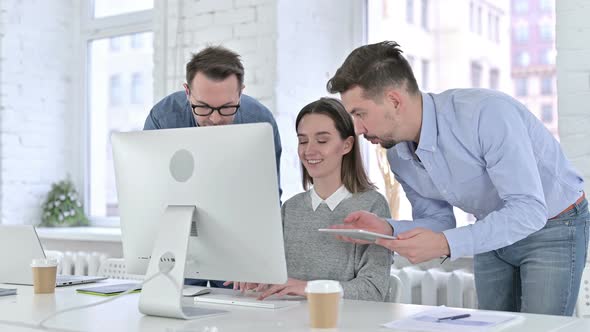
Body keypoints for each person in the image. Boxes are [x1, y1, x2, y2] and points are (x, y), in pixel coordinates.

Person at [326, 41, 589, 315]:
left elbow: (529, 210)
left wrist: (445, 243)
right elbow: (440, 221)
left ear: (394, 100)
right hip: (492, 224)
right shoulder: (399, 155)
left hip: (554, 223)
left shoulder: (485, 114)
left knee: (541, 328)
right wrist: (388, 229)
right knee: (493, 324)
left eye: (360, 113)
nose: (356, 128)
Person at [143, 45, 283, 288]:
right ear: (187, 92)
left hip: (239, 244)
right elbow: (149, 193)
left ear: (241, 93)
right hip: (178, 241)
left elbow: (269, 200)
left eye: (227, 107)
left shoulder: (260, 121)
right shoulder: (163, 118)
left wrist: (262, 260)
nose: (216, 118)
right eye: (204, 107)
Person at [226, 98, 392, 302]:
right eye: (303, 141)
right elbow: (281, 281)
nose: (309, 150)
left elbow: (373, 290)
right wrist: (259, 279)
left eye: (322, 141)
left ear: (347, 145)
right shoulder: (291, 208)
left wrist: (307, 288)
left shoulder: (372, 205)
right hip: (287, 321)